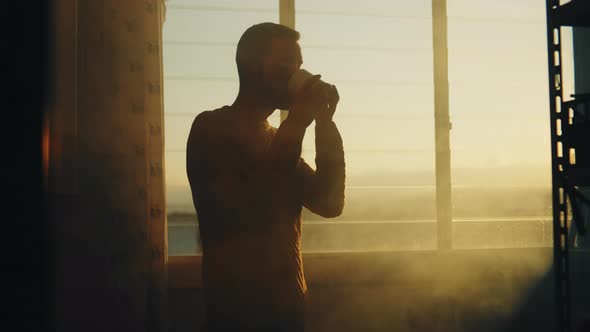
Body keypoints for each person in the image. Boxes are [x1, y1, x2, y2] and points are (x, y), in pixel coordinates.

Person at [186, 22, 345, 332]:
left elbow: (330, 202)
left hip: (289, 318)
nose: (297, 74)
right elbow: (256, 207)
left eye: (298, 66)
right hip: (237, 319)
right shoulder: (211, 128)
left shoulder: (278, 138)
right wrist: (298, 121)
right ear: (252, 67)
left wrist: (325, 124)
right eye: (286, 64)